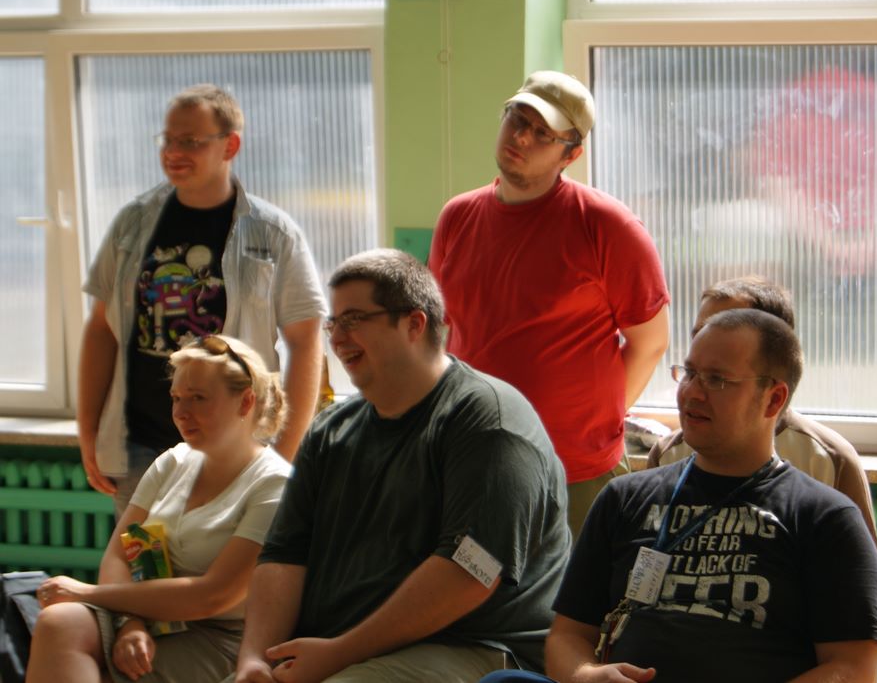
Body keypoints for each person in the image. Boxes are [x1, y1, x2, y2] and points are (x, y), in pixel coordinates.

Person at [481, 309, 877, 683]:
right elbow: (568, 636)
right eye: (689, 373)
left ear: (773, 399)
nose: (692, 392)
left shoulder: (824, 518)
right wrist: (587, 675)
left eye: (717, 380)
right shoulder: (624, 499)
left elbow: (854, 668)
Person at [232, 249, 571, 683]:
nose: (337, 338)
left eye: (355, 319)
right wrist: (253, 660)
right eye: (333, 324)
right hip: (337, 650)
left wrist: (338, 654)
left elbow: (471, 571)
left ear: (414, 324)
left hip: (471, 649)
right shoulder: (330, 430)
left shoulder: (488, 420)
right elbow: (284, 554)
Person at [429, 70, 671, 537]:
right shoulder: (457, 217)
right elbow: (444, 334)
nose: (521, 136)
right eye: (517, 118)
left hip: (575, 472)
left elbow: (651, 342)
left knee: (576, 585)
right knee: (473, 582)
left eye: (543, 133)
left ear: (571, 154)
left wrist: (592, 425)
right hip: (475, 460)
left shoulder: (607, 226)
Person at [78, 83, 326, 516]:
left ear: (230, 145)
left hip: (237, 452)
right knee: (141, 559)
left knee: (230, 562)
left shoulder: (273, 233)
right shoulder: (131, 224)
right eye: (168, 139)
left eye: (191, 141)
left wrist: (282, 454)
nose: (174, 152)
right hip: (141, 449)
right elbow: (101, 330)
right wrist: (88, 433)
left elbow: (306, 343)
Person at [27, 335, 293, 683]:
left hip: (220, 635)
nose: (181, 413)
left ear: (245, 402)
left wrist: (86, 593)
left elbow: (212, 596)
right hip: (147, 616)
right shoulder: (173, 461)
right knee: (59, 622)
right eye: (176, 398)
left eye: (198, 398)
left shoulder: (274, 485)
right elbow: (118, 556)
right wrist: (130, 623)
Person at [647, 276, 877, 564]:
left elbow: (859, 576)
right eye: (701, 331)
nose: (709, 339)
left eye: (729, 327)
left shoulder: (828, 459)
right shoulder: (667, 456)